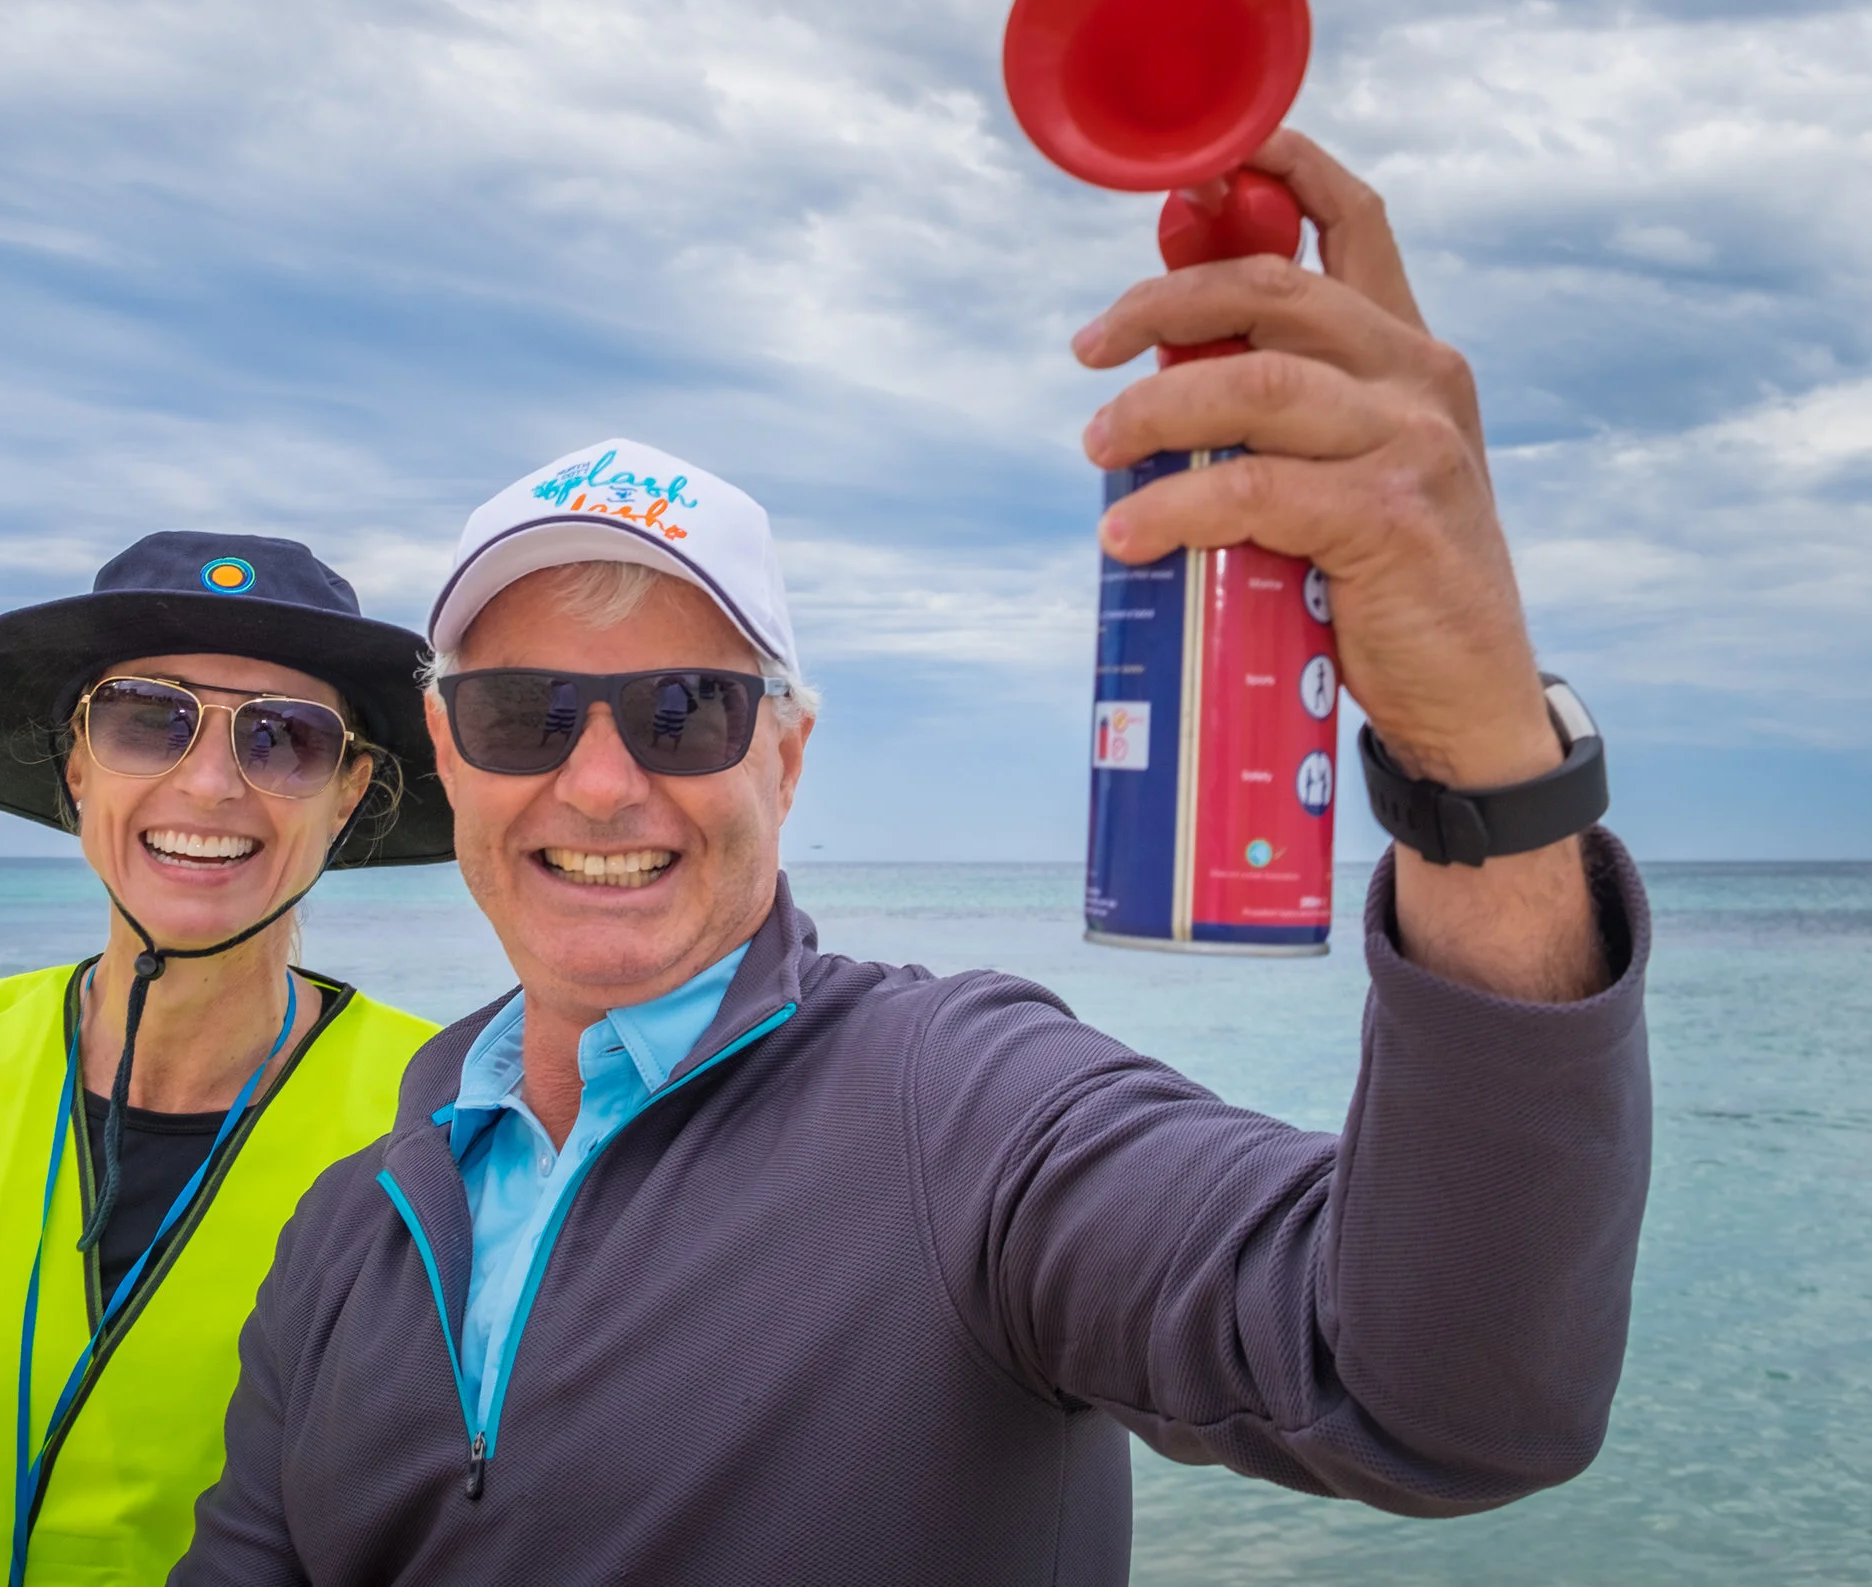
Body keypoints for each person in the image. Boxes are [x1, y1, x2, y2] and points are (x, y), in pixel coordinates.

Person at [175, 134, 1654, 1585]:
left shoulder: (956, 1108)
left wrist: (1479, 745)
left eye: (688, 709)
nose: (604, 781)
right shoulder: (355, 1224)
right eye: (523, 712)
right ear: (450, 755)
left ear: (786, 759)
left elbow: (1447, 1386)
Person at [0, 532, 454, 1587]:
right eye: (148, 718)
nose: (210, 783)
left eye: (285, 737)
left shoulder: (448, 1123)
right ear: (75, 764)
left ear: (348, 792)